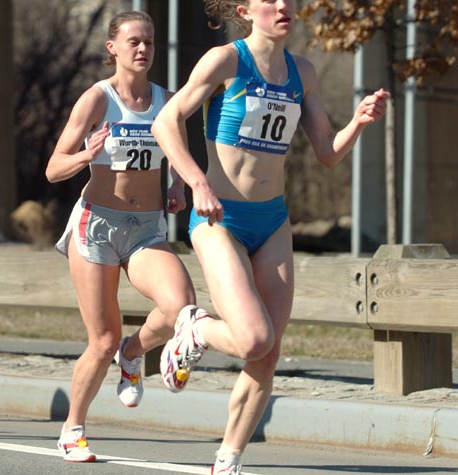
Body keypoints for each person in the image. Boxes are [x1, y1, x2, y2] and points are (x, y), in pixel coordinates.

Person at [151, 1, 390, 473]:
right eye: (272, 1)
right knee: (253, 337)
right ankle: (195, 329)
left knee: (267, 354)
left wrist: (358, 122)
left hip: (273, 221)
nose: (284, 7)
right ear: (246, 10)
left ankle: (228, 459)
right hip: (220, 219)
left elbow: (325, 153)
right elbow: (166, 121)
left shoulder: (302, 72)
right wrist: (197, 181)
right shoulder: (226, 60)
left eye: (289, 1)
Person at [45, 10, 207, 463]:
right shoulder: (96, 101)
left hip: (146, 227)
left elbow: (177, 151)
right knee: (100, 340)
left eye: (150, 42)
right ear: (112, 48)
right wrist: (85, 156)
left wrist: (175, 184)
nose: (143, 49)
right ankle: (72, 429)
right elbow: (53, 168)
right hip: (96, 225)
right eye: (133, 41)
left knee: (181, 307)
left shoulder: (167, 100)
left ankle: (133, 354)